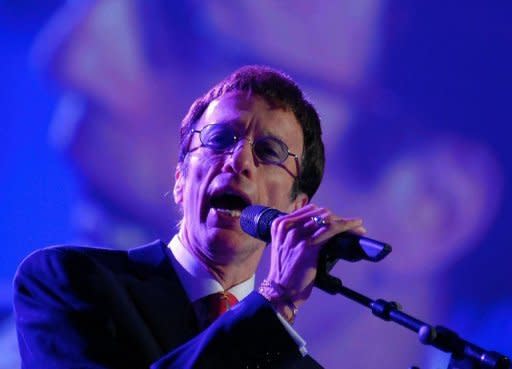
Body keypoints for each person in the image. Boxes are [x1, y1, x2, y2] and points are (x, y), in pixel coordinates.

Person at [13, 66, 366, 369]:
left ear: (295, 210)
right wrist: (275, 300)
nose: (239, 161)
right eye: (219, 139)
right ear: (180, 179)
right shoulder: (69, 282)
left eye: (270, 151)